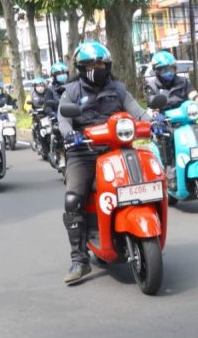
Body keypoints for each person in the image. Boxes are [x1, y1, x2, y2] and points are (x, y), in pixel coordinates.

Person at [56, 41, 147, 285]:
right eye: (89, 65)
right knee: (73, 199)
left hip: (116, 149)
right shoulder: (71, 91)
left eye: (99, 64)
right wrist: (70, 134)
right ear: (80, 68)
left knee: (140, 183)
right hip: (83, 152)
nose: (95, 68)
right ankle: (79, 259)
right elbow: (63, 119)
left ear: (107, 65)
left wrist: (154, 121)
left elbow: (137, 111)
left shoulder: (118, 89)